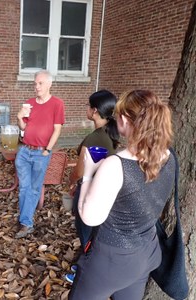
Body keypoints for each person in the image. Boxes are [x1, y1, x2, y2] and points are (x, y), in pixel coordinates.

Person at [68, 90, 175, 300]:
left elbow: (90, 217)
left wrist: (89, 174)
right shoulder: (169, 157)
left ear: (125, 120)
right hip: (148, 253)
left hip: (112, 260)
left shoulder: (116, 165)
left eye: (117, 115)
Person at [65, 90, 119, 283]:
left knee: (86, 232)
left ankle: (84, 274)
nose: (87, 110)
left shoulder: (95, 138)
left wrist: (72, 183)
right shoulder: (110, 134)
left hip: (90, 190)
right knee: (94, 233)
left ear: (95, 111)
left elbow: (79, 171)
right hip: (104, 190)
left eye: (89, 106)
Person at [15, 70, 65, 239]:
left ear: (49, 84)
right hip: (24, 151)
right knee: (24, 188)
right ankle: (25, 220)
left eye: (40, 83)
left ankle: (25, 222)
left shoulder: (57, 104)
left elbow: (57, 129)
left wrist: (48, 150)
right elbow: (23, 127)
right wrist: (19, 117)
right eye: (35, 83)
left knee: (34, 189)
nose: (36, 86)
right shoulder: (29, 103)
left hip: (40, 152)